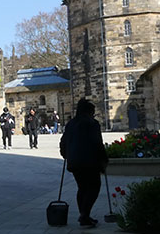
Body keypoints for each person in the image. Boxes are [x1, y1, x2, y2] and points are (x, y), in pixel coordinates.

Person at [59, 98, 108, 228]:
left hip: (74, 162)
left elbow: (63, 141)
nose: (93, 114)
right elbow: (98, 144)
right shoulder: (93, 124)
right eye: (93, 112)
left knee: (82, 188)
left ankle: (84, 215)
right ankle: (84, 215)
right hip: (90, 162)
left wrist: (65, 154)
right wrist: (104, 160)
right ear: (88, 112)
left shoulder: (71, 124)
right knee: (94, 187)